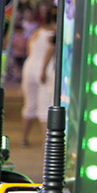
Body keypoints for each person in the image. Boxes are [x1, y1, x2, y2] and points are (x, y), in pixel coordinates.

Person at [20, 8, 57, 147]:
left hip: (29, 67)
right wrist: (42, 70)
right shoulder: (53, 36)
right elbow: (49, 52)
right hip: (44, 70)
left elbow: (29, 49)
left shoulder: (36, 32)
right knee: (44, 107)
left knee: (29, 104)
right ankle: (45, 140)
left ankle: (24, 138)